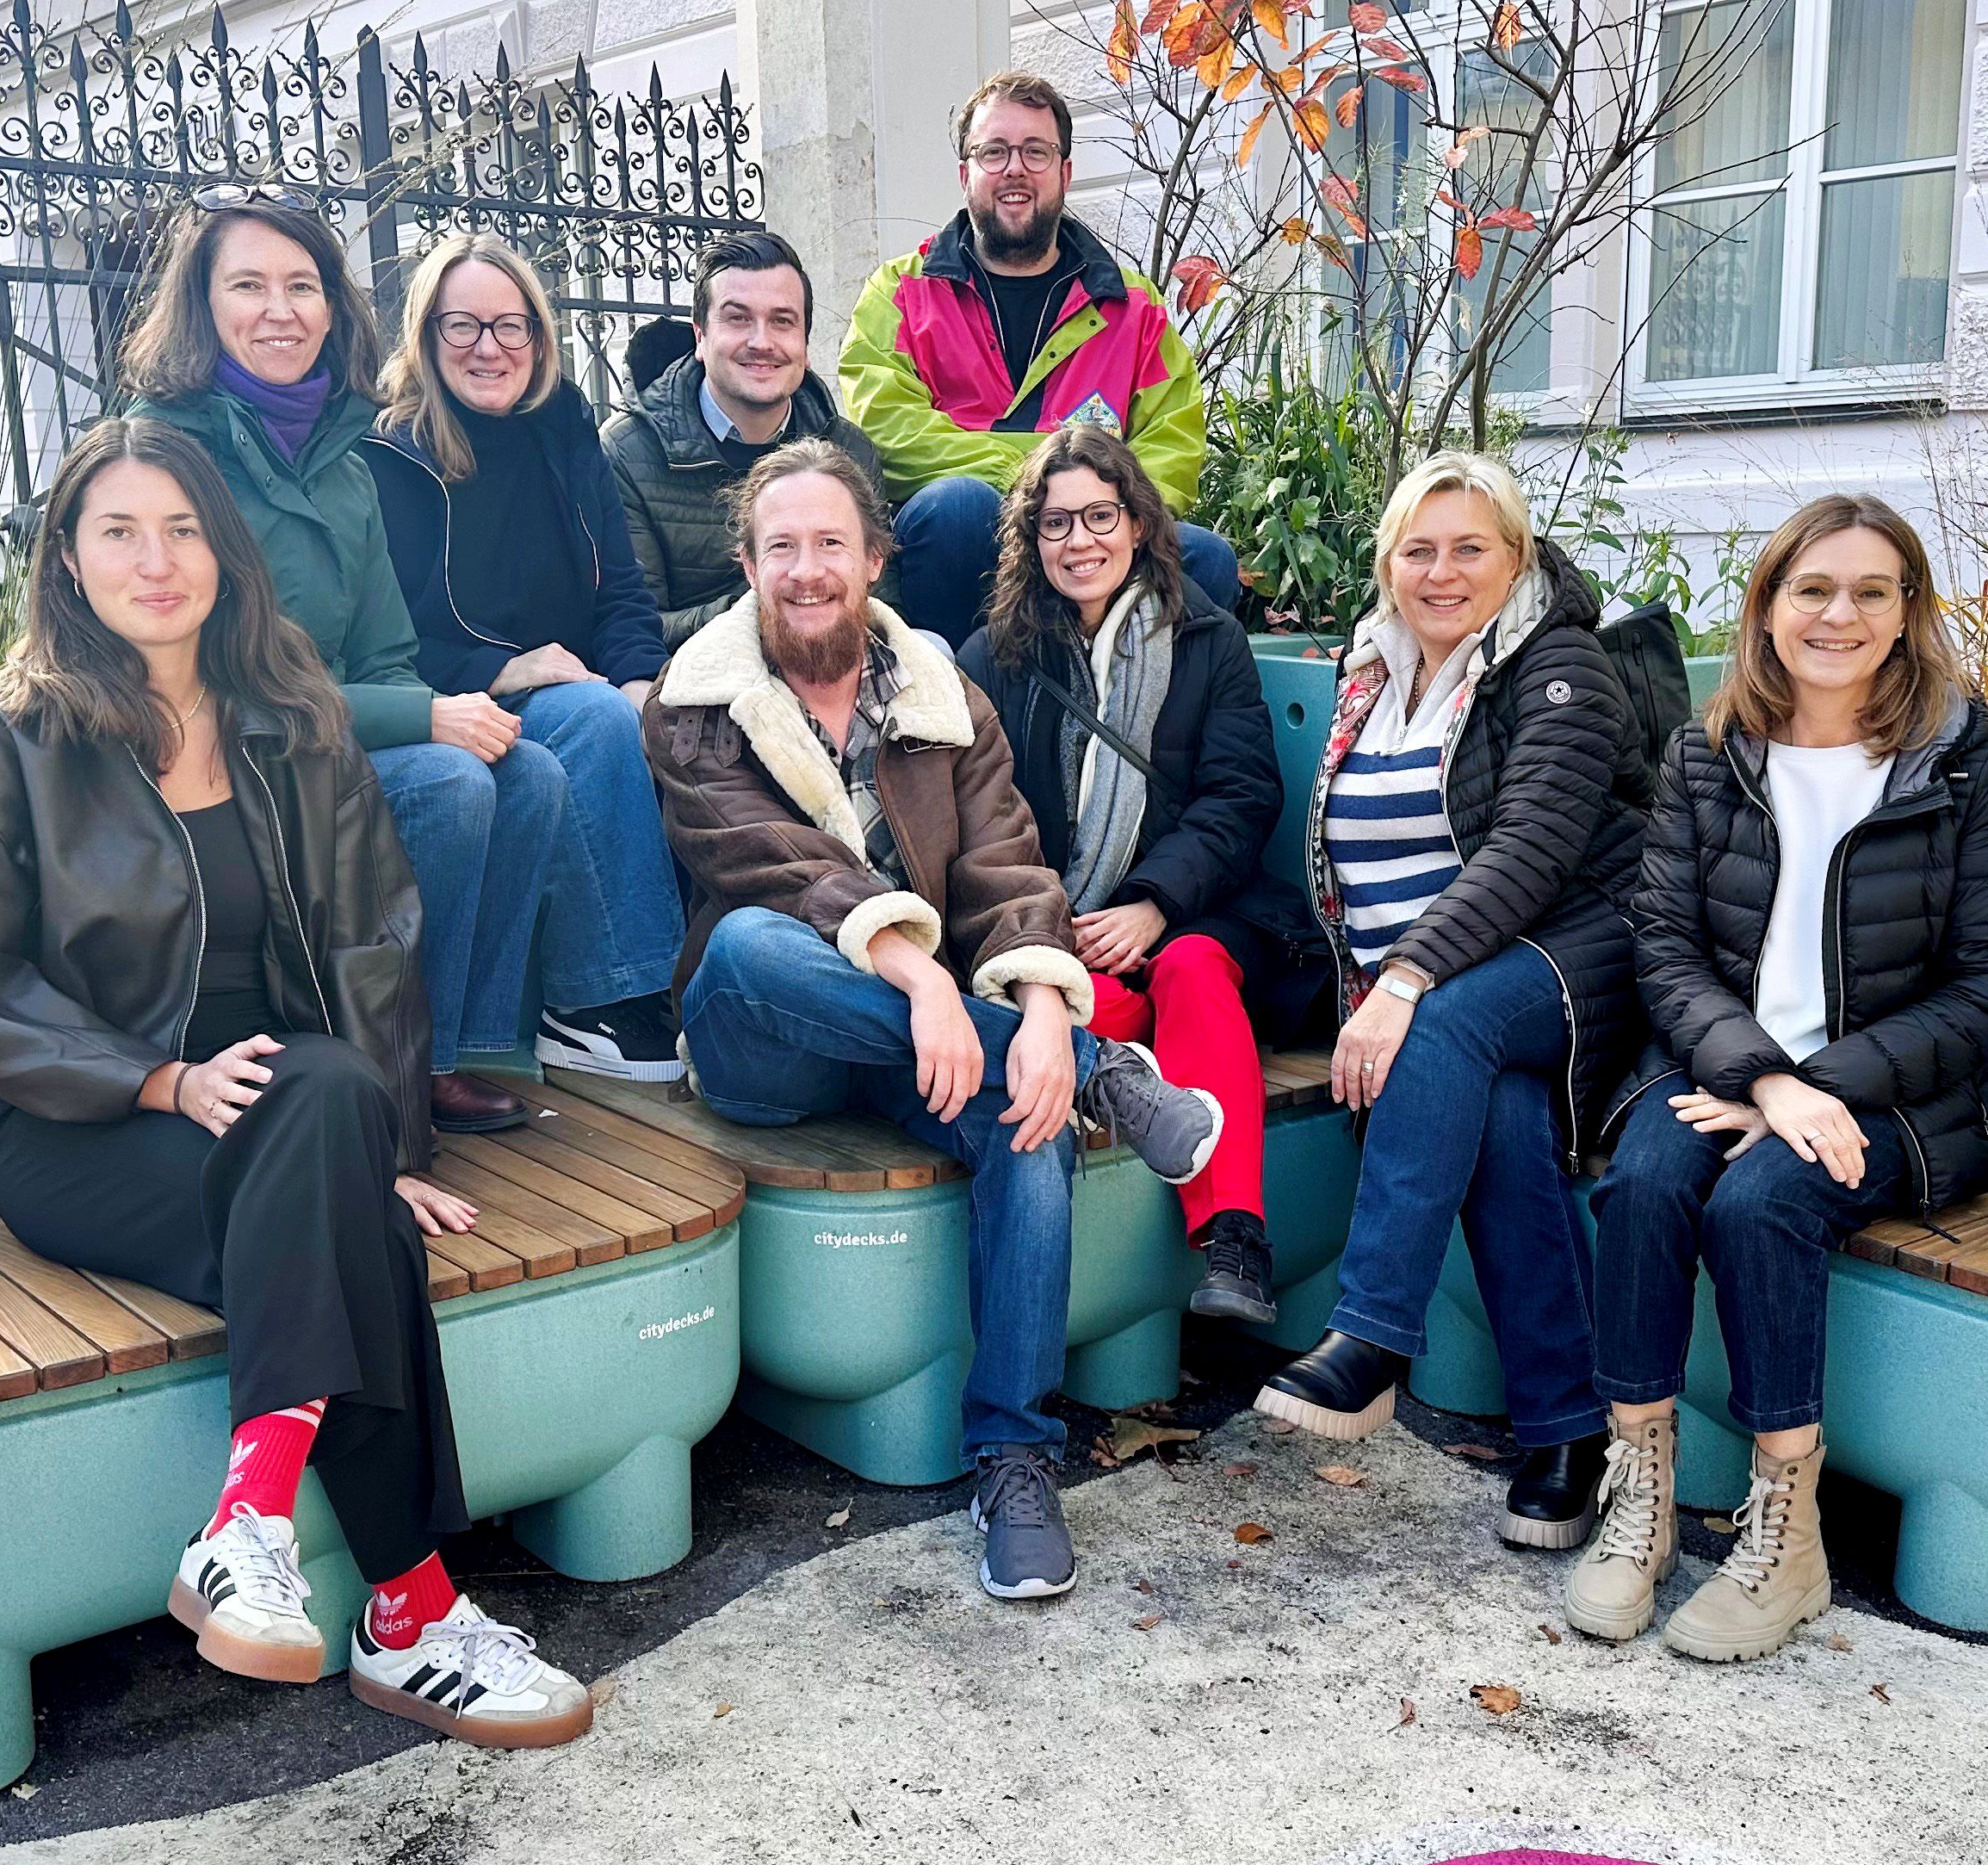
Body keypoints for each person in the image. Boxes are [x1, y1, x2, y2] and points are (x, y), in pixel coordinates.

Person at [0, 417, 592, 1746]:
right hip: (83, 1129)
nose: (156, 561)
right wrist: (157, 1078)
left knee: (332, 1125)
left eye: (184, 528)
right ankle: (414, 1615)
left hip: (288, 1109)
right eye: (119, 532)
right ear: (67, 560)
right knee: (343, 1201)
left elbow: (373, 942)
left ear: (226, 551)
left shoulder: (293, 721)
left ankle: (252, 1521)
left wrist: (389, 1150)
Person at [643, 438, 1232, 1602]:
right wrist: (926, 984)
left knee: (1031, 1114)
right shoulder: (697, 704)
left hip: (927, 1046)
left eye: (830, 545)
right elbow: (779, 869)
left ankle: (1014, 1455)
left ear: (873, 556)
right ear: (748, 563)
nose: (807, 570)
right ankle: (1115, 1067)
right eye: (782, 548)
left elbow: (1009, 865)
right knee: (758, 945)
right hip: (769, 1038)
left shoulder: (938, 693)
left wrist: (1042, 1009)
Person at [1567, 494, 1988, 1663]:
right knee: (1645, 1184)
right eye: (1812, 589)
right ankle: (1642, 1500)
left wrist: (1818, 1084)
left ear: (1908, 612)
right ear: (1769, 607)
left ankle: (1788, 1536)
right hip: (1723, 1066)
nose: (1839, 614)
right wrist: (1768, 1081)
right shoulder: (1708, 750)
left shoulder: (1960, 759)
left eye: (1872, 591)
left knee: (1765, 1201)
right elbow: (1664, 947)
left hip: (1895, 1098)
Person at [1252, 451, 1653, 1557]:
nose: (1441, 571)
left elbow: (1533, 843)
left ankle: (1372, 1335)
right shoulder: (1373, 673)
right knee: (1507, 1125)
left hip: (1573, 954)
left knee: (1445, 1027)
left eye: (1470, 547)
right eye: (1418, 550)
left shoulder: (1554, 663)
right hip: (1441, 1001)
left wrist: (1401, 985)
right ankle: (1570, 1440)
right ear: (1389, 565)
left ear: (1515, 558)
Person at [117, 188, 548, 1136]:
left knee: (526, 771)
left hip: (326, 735)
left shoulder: (343, 458)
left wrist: (433, 706)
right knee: (448, 783)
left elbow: (389, 650)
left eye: (302, 286)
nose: (280, 310)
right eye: (249, 286)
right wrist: (426, 717)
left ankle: (451, 1046)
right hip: (222, 751)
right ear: (204, 303)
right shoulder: (165, 451)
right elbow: (206, 670)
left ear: (331, 305)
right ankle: (391, 1054)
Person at [957, 423, 1326, 1326]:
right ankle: (1127, 1072)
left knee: (1192, 969)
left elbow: (1241, 796)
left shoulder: (1207, 639)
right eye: (1055, 523)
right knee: (1058, 1013)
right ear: (1029, 539)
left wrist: (1154, 901)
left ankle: (1235, 1238)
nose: (1078, 540)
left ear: (1137, 524)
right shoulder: (994, 657)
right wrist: (1045, 925)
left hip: (1199, 910)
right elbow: (973, 817)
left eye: (1099, 515)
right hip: (1061, 933)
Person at [362, 233, 688, 1086]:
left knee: (621, 711)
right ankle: (596, 1003)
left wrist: (641, 680)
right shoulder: (389, 454)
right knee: (585, 721)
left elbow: (620, 589)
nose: (488, 347)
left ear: (540, 339)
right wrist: (497, 669)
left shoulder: (564, 428)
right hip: (453, 694)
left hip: (570, 683)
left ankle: (657, 989)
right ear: (426, 335)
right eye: (462, 324)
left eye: (511, 326)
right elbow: (385, 644)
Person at [838, 69, 1239, 644]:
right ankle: (950, 716)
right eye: (994, 152)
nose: (1015, 168)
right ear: (965, 174)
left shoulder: (1133, 307)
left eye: (1035, 151)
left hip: (1094, 540)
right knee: (958, 506)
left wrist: (1084, 513)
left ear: (1065, 172)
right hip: (959, 549)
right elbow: (888, 433)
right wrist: (1046, 481)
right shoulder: (899, 292)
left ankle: (1132, 729)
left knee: (1207, 558)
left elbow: (1173, 447)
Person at [604, 230, 886, 652]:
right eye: (738, 318)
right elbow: (636, 627)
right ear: (700, 336)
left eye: (782, 321)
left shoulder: (850, 452)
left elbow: (879, 601)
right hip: (698, 673)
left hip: (830, 660)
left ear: (805, 344)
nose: (761, 342)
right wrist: (762, 609)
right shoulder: (628, 453)